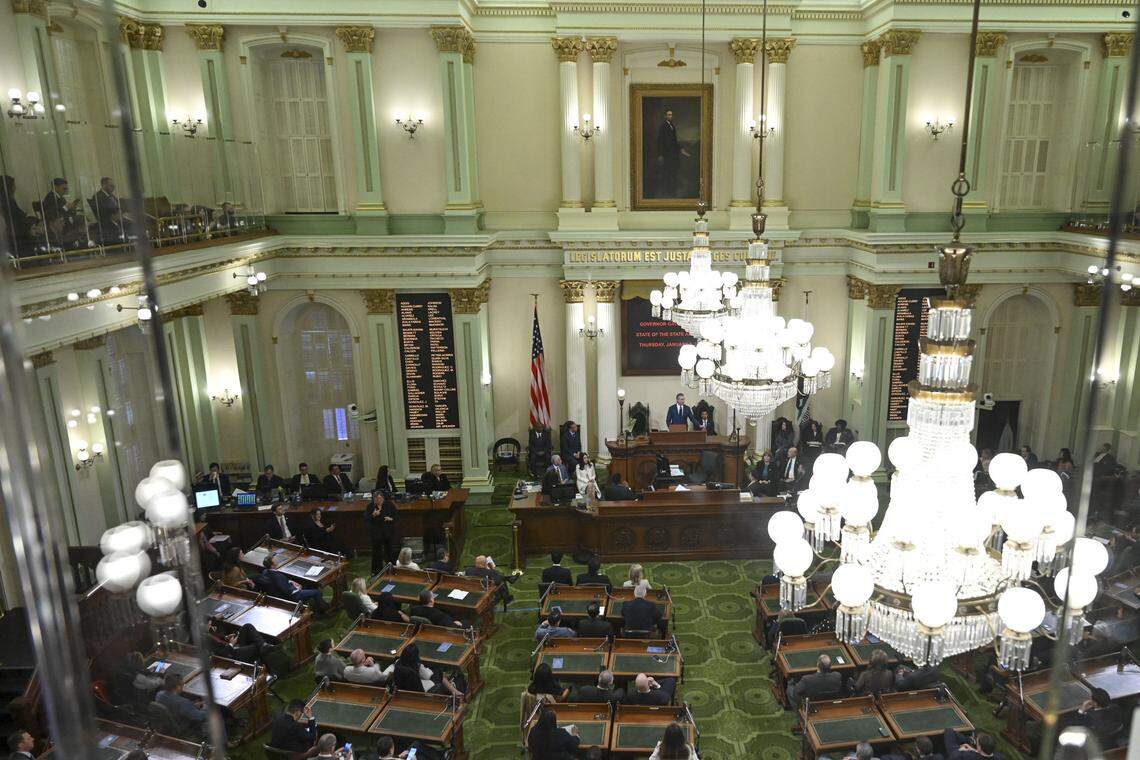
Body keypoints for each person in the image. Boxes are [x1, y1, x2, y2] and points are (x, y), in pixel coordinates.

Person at [259, 554, 330, 613]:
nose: (277, 561)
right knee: (317, 592)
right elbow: (286, 590)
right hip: (293, 595)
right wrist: (297, 588)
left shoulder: (266, 571)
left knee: (307, 584)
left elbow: (282, 583)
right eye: (275, 561)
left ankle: (316, 604)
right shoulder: (277, 576)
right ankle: (323, 609)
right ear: (272, 565)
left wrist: (290, 581)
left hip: (285, 591)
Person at [384, 644, 462, 697]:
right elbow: (428, 676)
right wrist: (431, 669)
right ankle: (454, 690)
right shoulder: (417, 666)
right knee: (437, 672)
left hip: (404, 689)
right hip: (420, 691)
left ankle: (452, 688)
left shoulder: (397, 664)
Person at [40, 177, 86, 249]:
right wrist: (66, 208)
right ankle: (80, 243)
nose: (65, 191)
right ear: (55, 187)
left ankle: (82, 242)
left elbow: (66, 210)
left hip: (66, 220)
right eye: (63, 189)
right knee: (82, 220)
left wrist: (72, 208)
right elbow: (52, 214)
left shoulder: (60, 197)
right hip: (59, 224)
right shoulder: (50, 197)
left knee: (83, 218)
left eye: (66, 189)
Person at [1, 175, 40, 257]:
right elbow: (18, 217)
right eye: (13, 185)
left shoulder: (6, 200)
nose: (15, 188)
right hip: (17, 236)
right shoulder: (7, 201)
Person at [655, 109, 690, 197]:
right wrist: (660, 154)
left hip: (673, 154)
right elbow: (660, 141)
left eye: (671, 115)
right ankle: (668, 192)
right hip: (667, 155)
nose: (670, 116)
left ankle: (672, 191)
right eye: (668, 115)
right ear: (665, 116)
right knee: (668, 173)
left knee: (673, 172)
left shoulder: (672, 126)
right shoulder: (663, 127)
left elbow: (674, 140)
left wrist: (681, 149)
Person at [89, 176, 127, 244]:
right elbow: (103, 211)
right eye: (111, 186)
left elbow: (118, 205)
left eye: (114, 186)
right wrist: (116, 213)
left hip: (118, 218)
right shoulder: (98, 196)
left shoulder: (111, 196)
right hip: (107, 222)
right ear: (104, 185)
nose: (114, 187)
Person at [368, 491, 399, 573]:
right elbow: (366, 519)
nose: (378, 500)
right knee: (377, 552)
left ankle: (392, 569)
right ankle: (377, 571)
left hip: (388, 531)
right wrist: (373, 515)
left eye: (380, 498)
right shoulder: (370, 506)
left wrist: (390, 519)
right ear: (374, 499)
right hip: (376, 533)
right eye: (376, 499)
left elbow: (396, 516)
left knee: (390, 551)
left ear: (383, 498)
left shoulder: (389, 505)